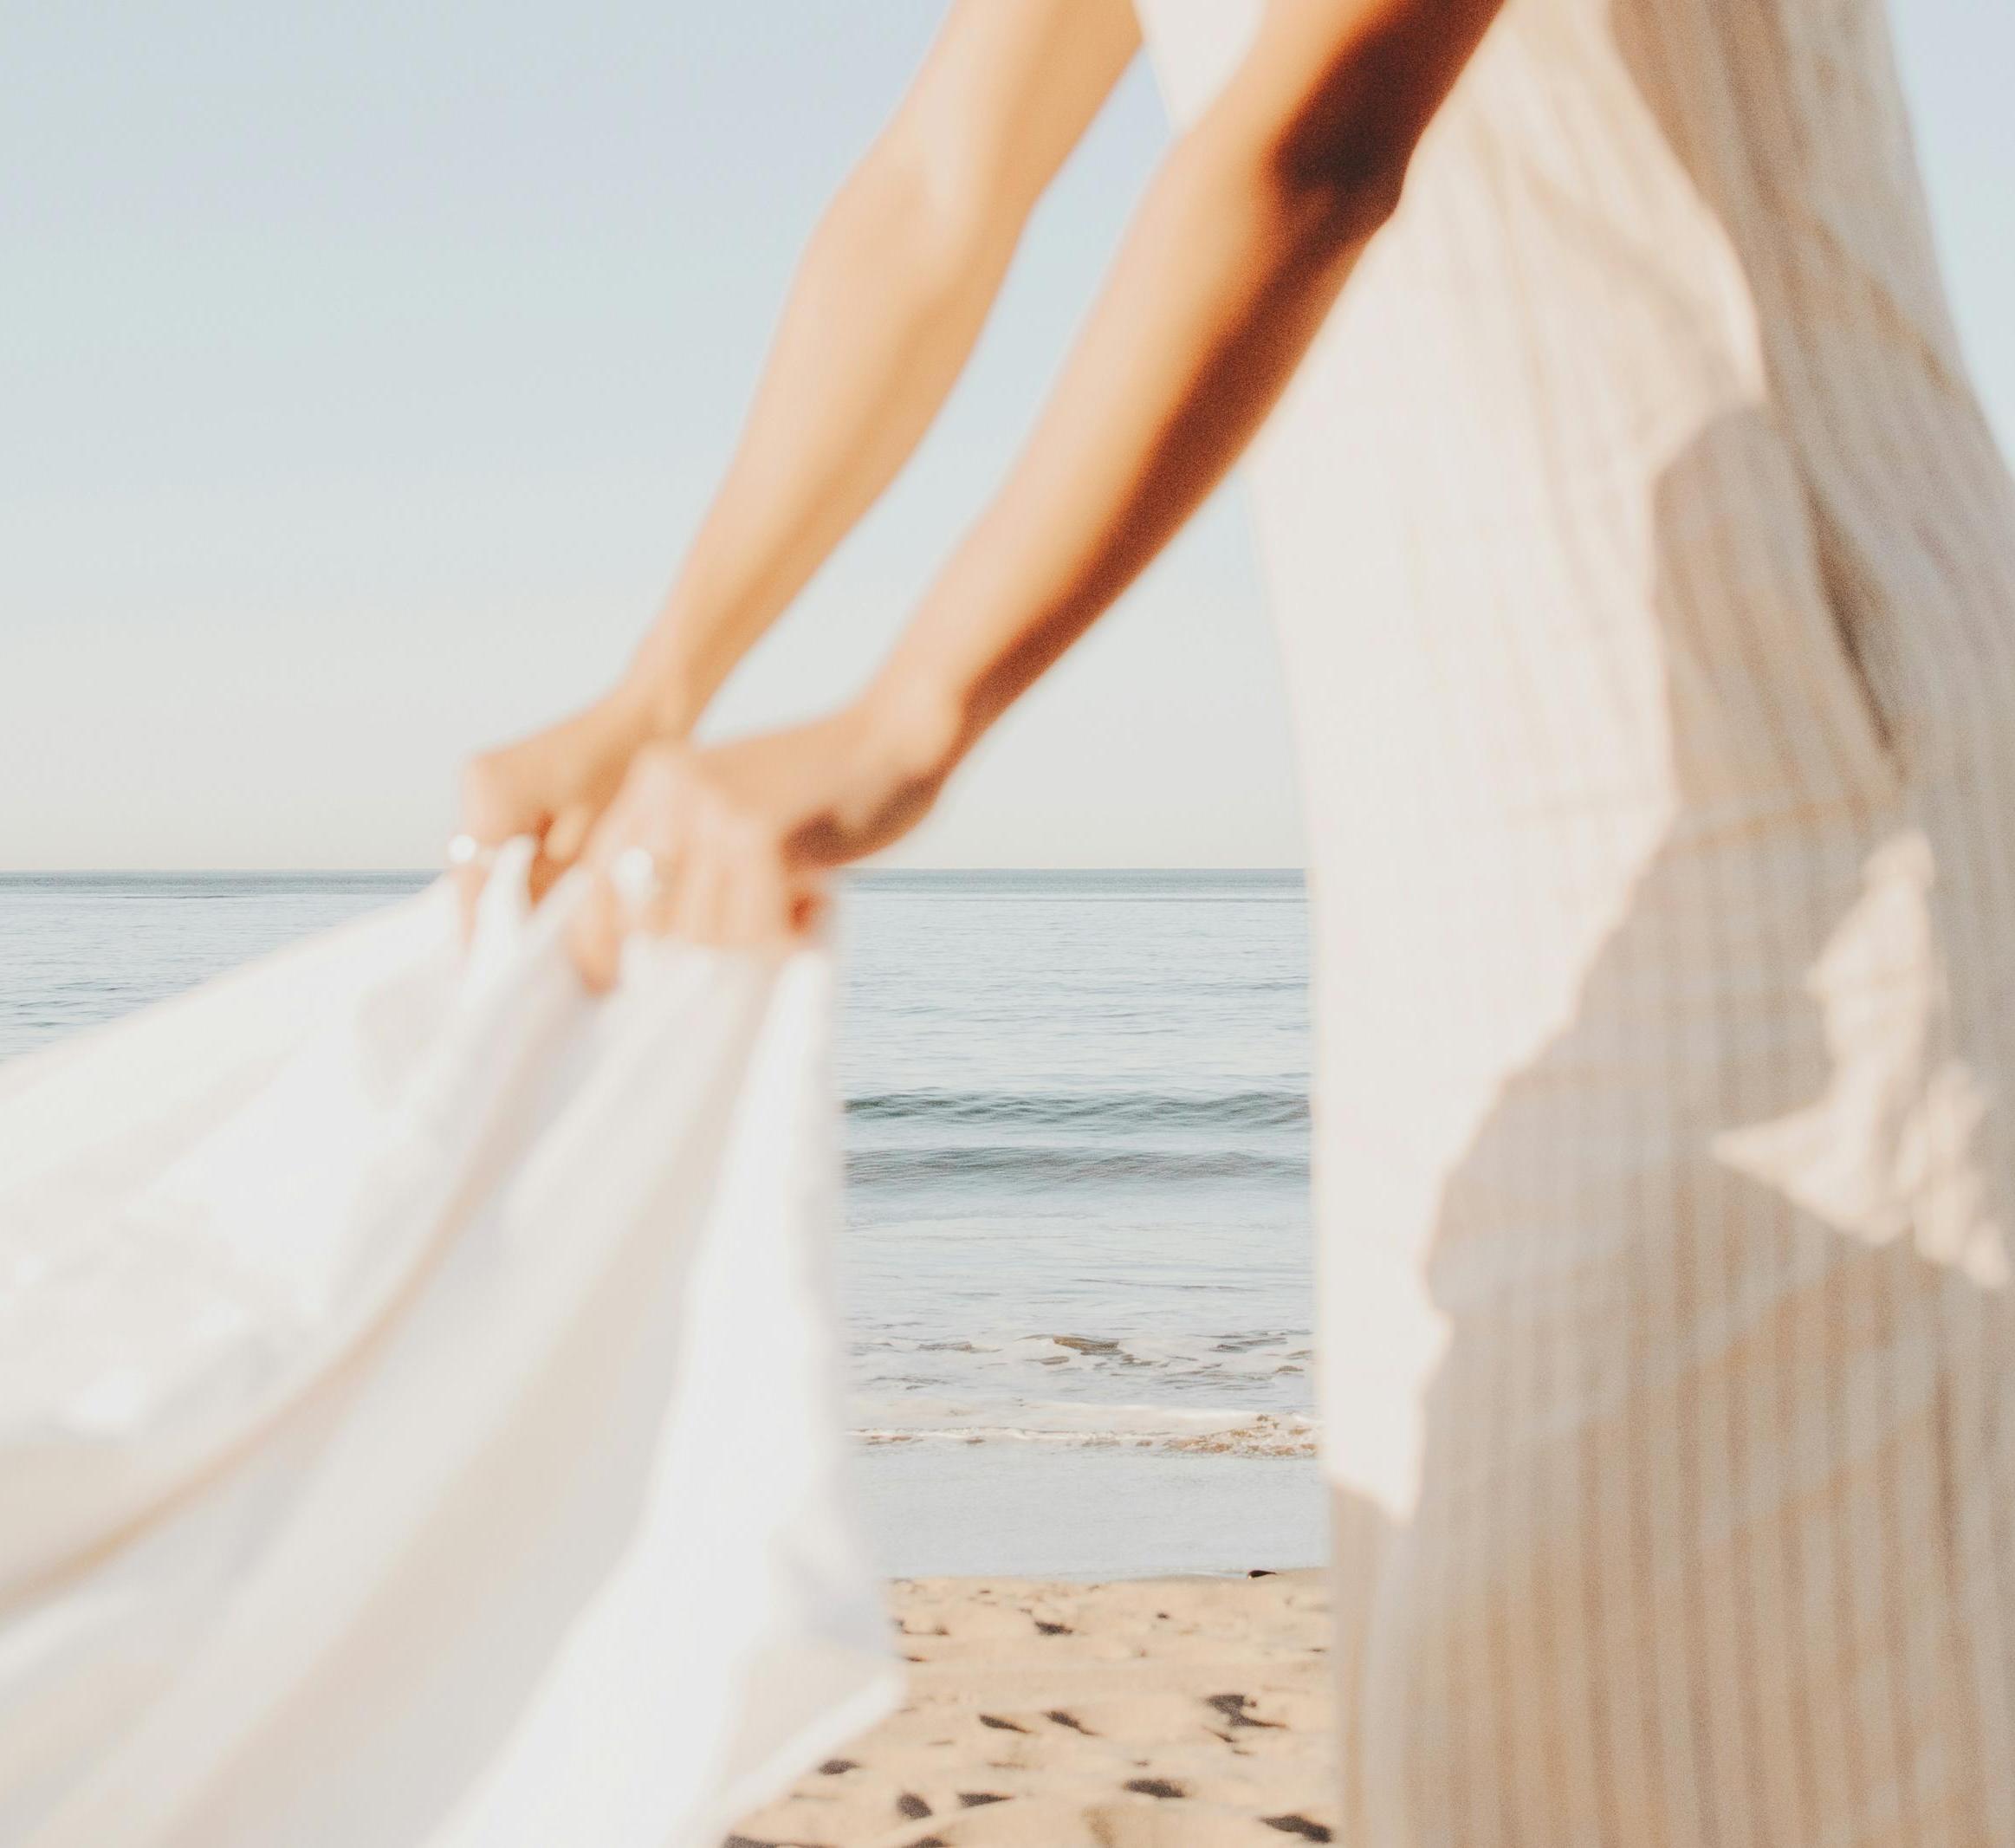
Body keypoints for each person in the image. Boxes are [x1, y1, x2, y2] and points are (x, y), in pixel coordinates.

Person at [458, 1, 2015, 1840]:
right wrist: (666, 683)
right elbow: (932, 193)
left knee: (1765, 1718)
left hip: (1803, 765)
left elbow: (1313, 143)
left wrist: (910, 713)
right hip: (1460, 834)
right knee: (1508, 1715)